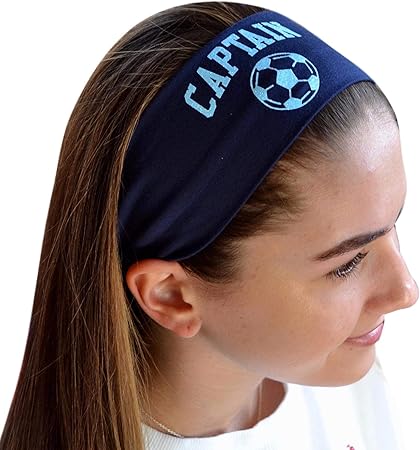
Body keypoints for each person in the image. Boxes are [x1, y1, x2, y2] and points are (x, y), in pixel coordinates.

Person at [0, 1, 418, 449]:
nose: (406, 290)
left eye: (392, 224)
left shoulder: (341, 381)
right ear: (172, 295)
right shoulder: (327, 359)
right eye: (347, 264)